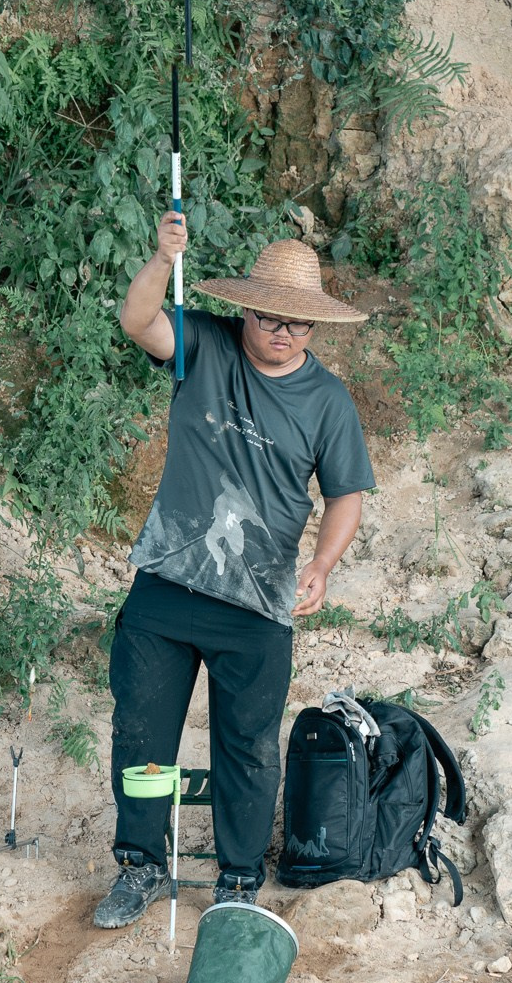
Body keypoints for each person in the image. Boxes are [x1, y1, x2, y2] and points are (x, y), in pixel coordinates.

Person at [94, 215, 373, 927]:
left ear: (314, 328)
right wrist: (162, 256)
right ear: (243, 308)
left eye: (297, 325)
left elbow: (346, 495)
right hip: (165, 586)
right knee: (144, 737)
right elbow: (137, 318)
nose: (281, 333)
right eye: (267, 317)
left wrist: (322, 565)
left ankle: (239, 879)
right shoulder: (204, 345)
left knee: (246, 749)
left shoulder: (328, 402)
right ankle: (141, 866)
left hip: (257, 605)